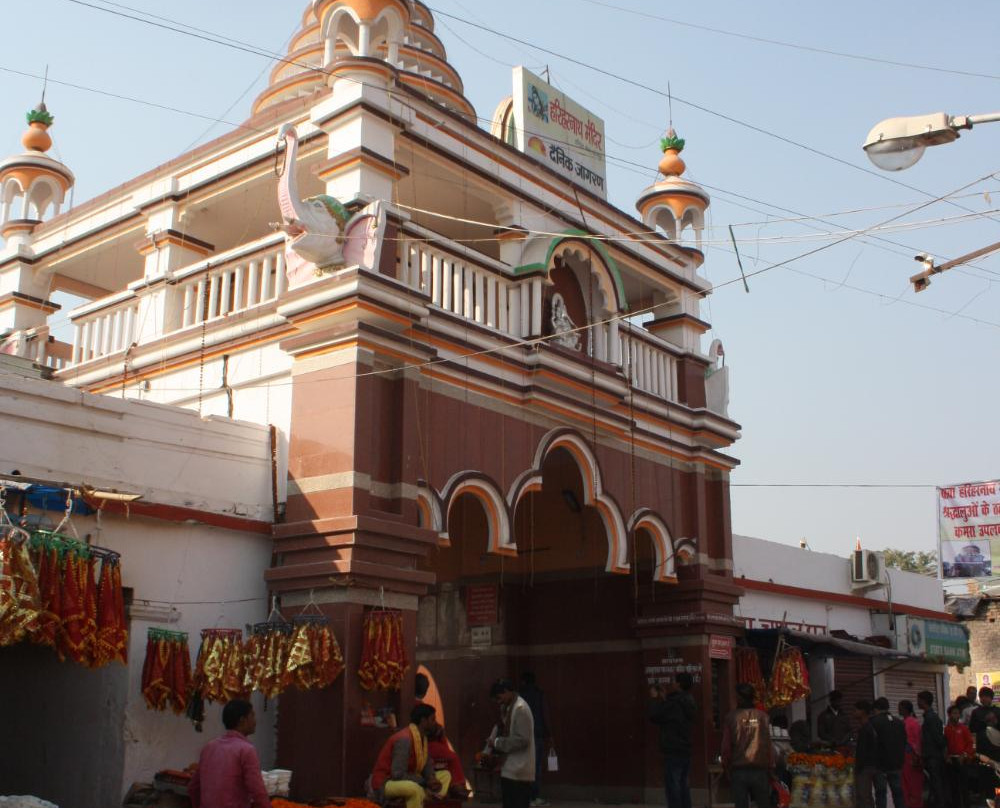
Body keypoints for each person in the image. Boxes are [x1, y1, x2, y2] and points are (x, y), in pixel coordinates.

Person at [188, 699, 271, 808]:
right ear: (242, 720)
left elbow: (193, 787)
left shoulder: (209, 747)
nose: (255, 721)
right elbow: (258, 792)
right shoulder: (246, 750)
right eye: (252, 716)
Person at [371, 704, 449, 808]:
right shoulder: (404, 740)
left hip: (411, 779)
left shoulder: (423, 738)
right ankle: (424, 794)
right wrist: (425, 782)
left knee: (445, 775)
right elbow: (397, 775)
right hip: (386, 783)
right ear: (423, 721)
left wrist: (431, 778)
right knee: (414, 789)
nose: (435, 723)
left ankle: (427, 795)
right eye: (433, 719)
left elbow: (427, 764)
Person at [721, 683, 773, 808]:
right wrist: (771, 767)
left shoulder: (731, 718)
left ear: (739, 698)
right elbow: (768, 744)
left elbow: (726, 748)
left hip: (739, 770)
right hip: (760, 769)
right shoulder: (763, 717)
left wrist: (726, 766)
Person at [649, 673, 697, 808]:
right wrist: (665, 699)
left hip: (673, 748)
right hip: (685, 748)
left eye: (674, 681)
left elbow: (655, 716)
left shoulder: (674, 703)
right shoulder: (689, 700)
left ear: (679, 684)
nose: (672, 684)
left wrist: (654, 699)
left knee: (673, 786)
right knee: (684, 784)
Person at [489, 679, 535, 808]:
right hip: (511, 769)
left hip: (519, 771)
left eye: (499, 698)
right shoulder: (510, 707)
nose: (499, 702)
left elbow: (522, 740)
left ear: (507, 692)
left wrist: (497, 742)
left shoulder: (520, 708)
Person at [520, 672, 552, 807]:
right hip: (537, 734)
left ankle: (526, 797)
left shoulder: (520, 695)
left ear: (523, 682)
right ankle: (534, 796)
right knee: (536, 767)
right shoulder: (539, 694)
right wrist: (549, 734)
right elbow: (545, 715)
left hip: (523, 735)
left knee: (524, 766)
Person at [870, 697, 906, 808]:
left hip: (880, 765)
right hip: (896, 764)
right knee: (898, 794)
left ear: (876, 709)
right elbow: (904, 741)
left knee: (881, 794)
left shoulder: (873, 722)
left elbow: (871, 743)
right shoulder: (899, 722)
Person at [918, 690, 949, 808]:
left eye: (919, 700)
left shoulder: (931, 718)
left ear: (924, 701)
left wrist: (942, 751)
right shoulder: (929, 717)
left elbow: (938, 738)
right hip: (932, 755)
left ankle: (940, 803)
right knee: (935, 782)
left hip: (933, 756)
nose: (918, 702)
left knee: (936, 782)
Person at [944, 704, 974, 808]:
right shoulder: (946, 729)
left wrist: (965, 755)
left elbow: (970, 744)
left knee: (964, 786)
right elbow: (945, 745)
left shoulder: (964, 728)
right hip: (951, 761)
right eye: (954, 713)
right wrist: (947, 757)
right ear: (949, 715)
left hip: (962, 760)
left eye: (958, 713)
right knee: (953, 787)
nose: (956, 715)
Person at [898, 699, 924, 808]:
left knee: (913, 784)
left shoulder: (912, 722)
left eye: (900, 707)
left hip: (911, 756)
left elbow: (918, 740)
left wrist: (917, 756)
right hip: (905, 756)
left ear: (905, 709)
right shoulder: (906, 722)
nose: (898, 709)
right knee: (906, 784)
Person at [853, 701, 879, 808]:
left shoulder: (866, 729)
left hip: (865, 767)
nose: (853, 713)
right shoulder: (869, 727)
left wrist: (858, 767)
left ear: (862, 712)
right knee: (867, 796)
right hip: (870, 766)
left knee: (863, 796)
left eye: (855, 710)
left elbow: (863, 751)